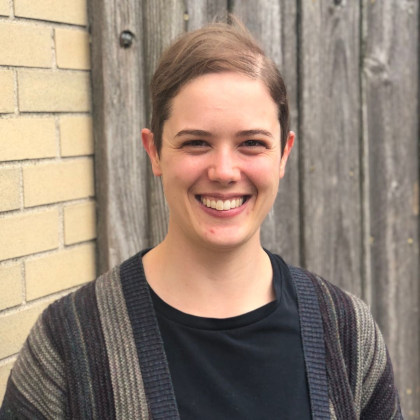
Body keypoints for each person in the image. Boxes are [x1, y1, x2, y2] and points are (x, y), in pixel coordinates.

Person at [1, 20, 402, 420]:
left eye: (252, 143)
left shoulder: (347, 332)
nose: (224, 171)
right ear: (155, 151)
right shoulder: (68, 346)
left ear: (283, 154)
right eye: (196, 142)